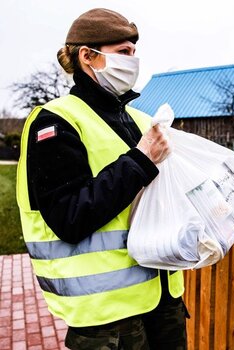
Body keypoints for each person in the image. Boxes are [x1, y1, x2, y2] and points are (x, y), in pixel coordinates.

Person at [16, 8, 187, 350]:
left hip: (164, 298)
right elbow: (70, 217)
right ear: (88, 57)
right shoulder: (55, 123)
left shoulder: (140, 120)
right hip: (106, 318)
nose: (133, 61)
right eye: (123, 52)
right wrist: (140, 160)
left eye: (134, 53)